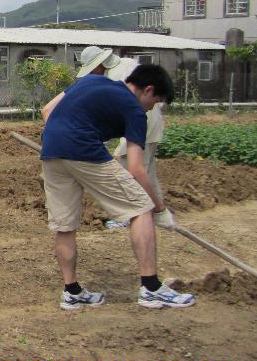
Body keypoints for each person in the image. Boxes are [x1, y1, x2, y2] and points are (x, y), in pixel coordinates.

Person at [39, 63, 195, 311]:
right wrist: (159, 209)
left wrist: (66, 139)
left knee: (65, 225)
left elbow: (47, 110)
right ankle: (152, 288)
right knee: (140, 207)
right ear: (148, 90)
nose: (151, 108)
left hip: (51, 150)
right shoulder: (134, 110)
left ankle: (72, 292)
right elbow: (136, 169)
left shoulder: (91, 80)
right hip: (83, 149)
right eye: (155, 102)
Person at [105, 58, 166, 229]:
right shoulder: (127, 64)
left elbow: (117, 109)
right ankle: (158, 214)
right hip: (150, 126)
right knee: (148, 172)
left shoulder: (115, 75)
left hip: (140, 125)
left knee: (129, 170)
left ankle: (127, 216)